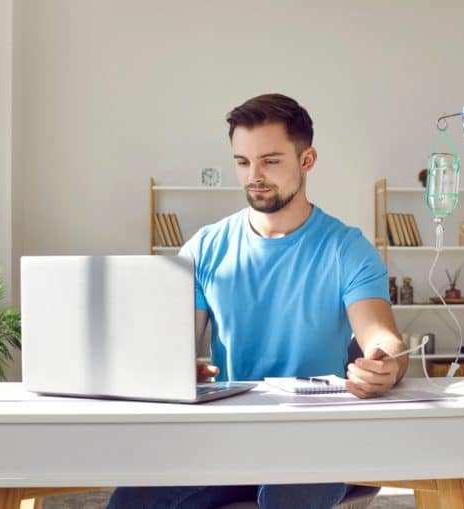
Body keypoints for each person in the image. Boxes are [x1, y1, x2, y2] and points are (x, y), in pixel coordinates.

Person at [107, 93, 408, 509]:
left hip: (315, 439)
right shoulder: (205, 247)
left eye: (270, 161)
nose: (254, 176)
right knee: (133, 499)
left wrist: (386, 364)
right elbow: (175, 345)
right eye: (243, 162)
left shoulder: (347, 249)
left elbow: (383, 337)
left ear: (307, 160)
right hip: (227, 438)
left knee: (290, 491)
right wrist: (175, 368)